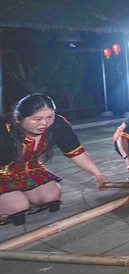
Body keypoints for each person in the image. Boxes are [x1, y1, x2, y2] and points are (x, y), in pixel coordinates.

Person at [1, 94, 108, 226]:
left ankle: (15, 195)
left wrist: (97, 175)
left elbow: (76, 152)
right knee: (18, 206)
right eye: (37, 119)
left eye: (50, 116)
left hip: (27, 168)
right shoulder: (3, 131)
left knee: (52, 195)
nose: (44, 123)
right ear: (18, 119)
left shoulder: (57, 125)